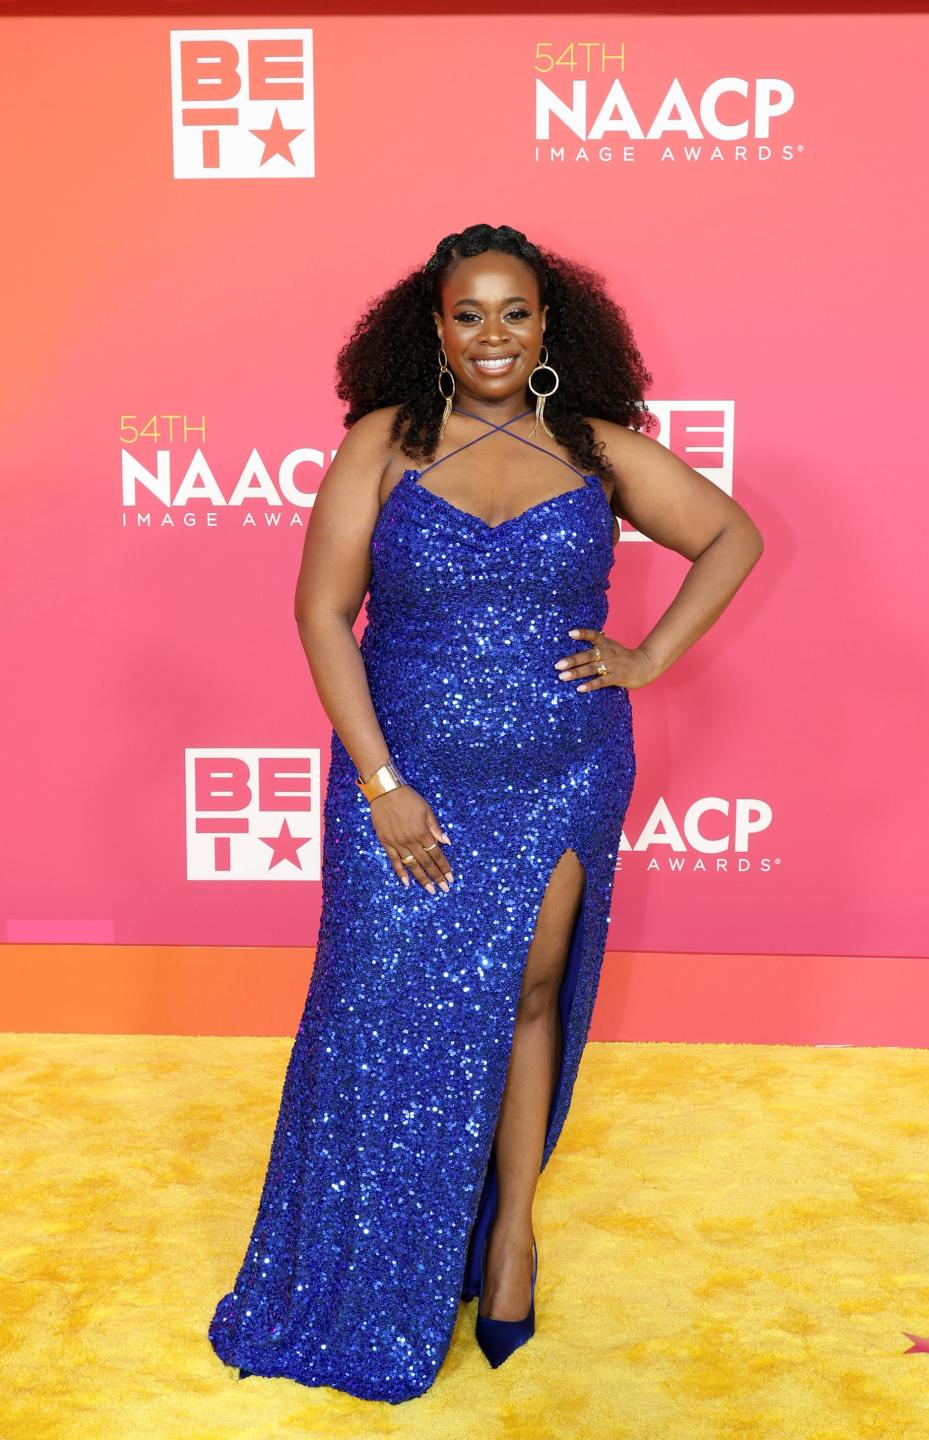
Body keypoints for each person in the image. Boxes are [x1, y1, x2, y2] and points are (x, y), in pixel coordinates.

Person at [208, 222, 763, 1403]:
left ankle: (509, 1242)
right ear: (437, 328)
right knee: (370, 1018)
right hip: (402, 781)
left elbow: (731, 534)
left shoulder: (599, 449)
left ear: (550, 326)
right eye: (471, 315)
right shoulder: (382, 446)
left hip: (564, 771)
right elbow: (322, 615)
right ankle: (363, 1268)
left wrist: (649, 655)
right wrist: (383, 785)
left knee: (530, 994)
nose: (494, 335)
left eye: (516, 312)